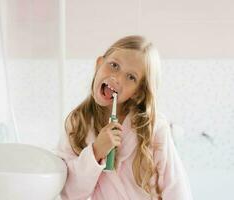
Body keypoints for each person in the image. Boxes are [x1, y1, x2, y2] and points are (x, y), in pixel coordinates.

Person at [57, 35, 193, 200]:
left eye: (131, 77)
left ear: (138, 92)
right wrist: (96, 151)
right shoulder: (77, 124)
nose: (117, 78)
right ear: (99, 64)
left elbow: (176, 189)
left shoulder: (154, 127)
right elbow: (70, 194)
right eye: (114, 65)